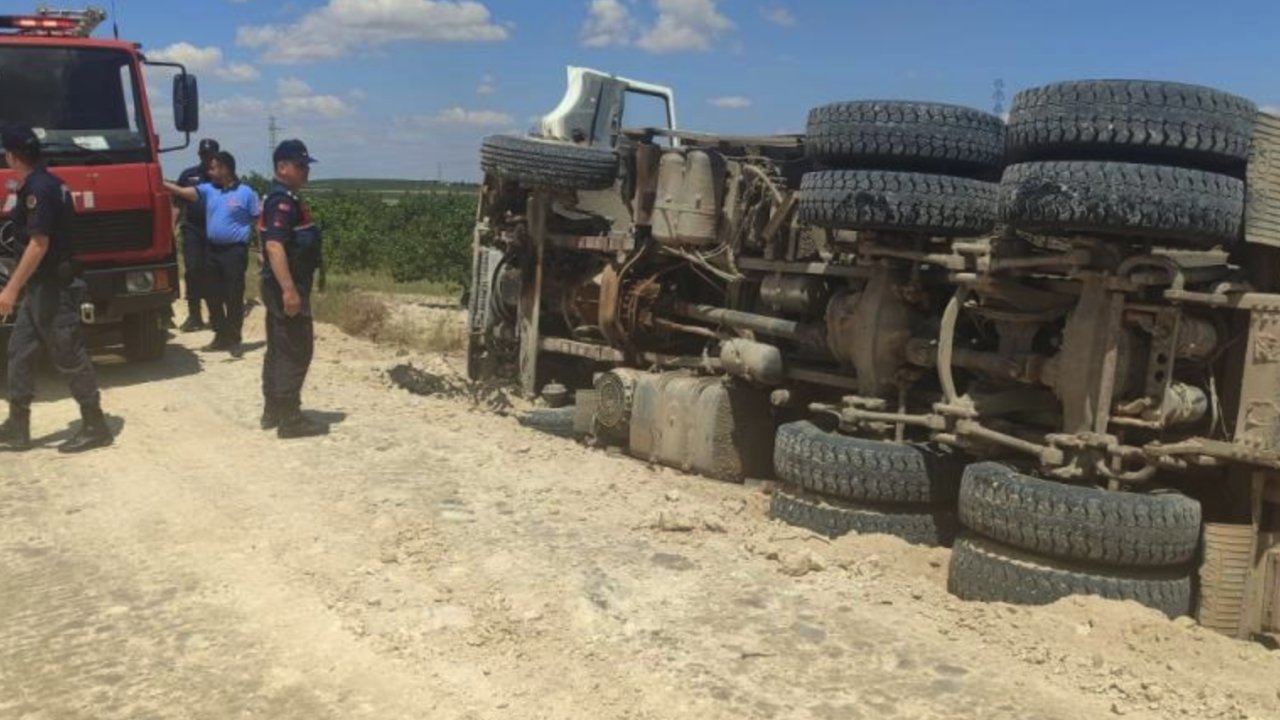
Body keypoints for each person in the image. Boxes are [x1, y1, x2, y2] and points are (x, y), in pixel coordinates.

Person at [0, 125, 113, 453]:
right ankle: (17, 426)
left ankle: (95, 424)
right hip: (40, 287)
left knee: (67, 353)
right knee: (19, 351)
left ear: (13, 155)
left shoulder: (41, 188)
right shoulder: (43, 183)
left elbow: (39, 244)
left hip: (54, 287)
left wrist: (10, 290)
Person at [258, 139, 327, 439]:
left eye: (306, 166)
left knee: (279, 346)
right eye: (300, 166)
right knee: (295, 349)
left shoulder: (283, 198)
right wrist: (289, 290)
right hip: (287, 287)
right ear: (281, 167)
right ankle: (289, 418)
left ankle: (273, 409)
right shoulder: (283, 201)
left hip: (281, 285)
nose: (305, 172)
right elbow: (274, 245)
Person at [164, 151, 260, 353]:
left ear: (225, 169)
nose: (210, 171)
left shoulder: (246, 193)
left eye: (214, 167)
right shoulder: (208, 190)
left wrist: (261, 250)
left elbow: (259, 222)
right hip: (212, 250)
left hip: (234, 251)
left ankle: (233, 339)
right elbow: (182, 192)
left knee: (233, 296)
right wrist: (160, 182)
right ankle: (221, 333)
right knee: (210, 293)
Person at [175, 138, 219, 332]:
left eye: (210, 155)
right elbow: (177, 204)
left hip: (215, 230)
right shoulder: (188, 175)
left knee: (212, 273)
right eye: (203, 154)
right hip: (193, 229)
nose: (207, 158)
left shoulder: (223, 177)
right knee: (193, 270)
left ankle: (215, 315)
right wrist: (172, 228)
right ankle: (194, 315)